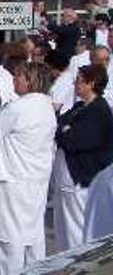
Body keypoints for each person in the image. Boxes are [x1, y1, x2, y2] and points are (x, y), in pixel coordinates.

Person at [0, 62, 57, 275]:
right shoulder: (47, 106)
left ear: (30, 81)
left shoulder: (18, 108)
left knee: (10, 237)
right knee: (34, 234)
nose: (13, 79)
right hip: (36, 178)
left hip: (13, 178)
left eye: (18, 76)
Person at [53, 64, 113, 250]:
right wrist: (63, 129)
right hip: (67, 183)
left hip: (80, 181)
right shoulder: (80, 107)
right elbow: (59, 127)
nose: (74, 84)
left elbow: (73, 140)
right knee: (63, 232)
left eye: (79, 81)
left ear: (91, 83)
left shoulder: (98, 111)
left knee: (77, 233)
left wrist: (64, 130)